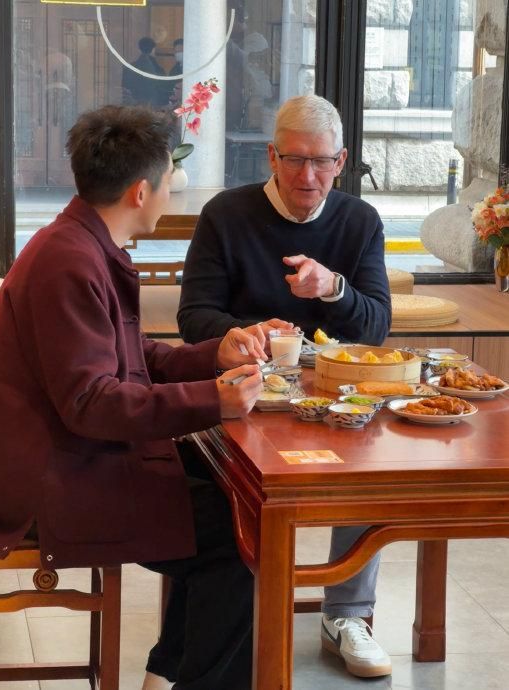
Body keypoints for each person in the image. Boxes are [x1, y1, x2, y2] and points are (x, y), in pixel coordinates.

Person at [0, 105, 267, 690]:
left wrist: (214, 355)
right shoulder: (69, 261)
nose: (171, 192)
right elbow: (92, 404)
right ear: (141, 191)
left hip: (72, 454)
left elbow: (129, 353)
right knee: (238, 542)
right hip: (50, 479)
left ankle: (165, 674)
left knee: (234, 499)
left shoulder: (78, 243)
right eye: (169, 180)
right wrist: (214, 400)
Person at [177, 94, 393, 679]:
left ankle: (347, 614)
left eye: (321, 161)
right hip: (245, 391)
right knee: (235, 485)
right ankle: (235, 607)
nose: (307, 175)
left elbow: (376, 327)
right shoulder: (226, 214)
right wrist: (243, 333)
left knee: (367, 455)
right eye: (294, 159)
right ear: (272, 157)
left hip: (334, 393)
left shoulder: (359, 221)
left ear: (341, 161)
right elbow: (194, 316)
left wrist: (334, 289)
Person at [122, 36, 168, 108]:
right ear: (153, 50)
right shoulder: (158, 69)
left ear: (139, 49)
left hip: (134, 107)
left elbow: (125, 88)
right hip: (152, 106)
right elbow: (163, 89)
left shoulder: (130, 68)